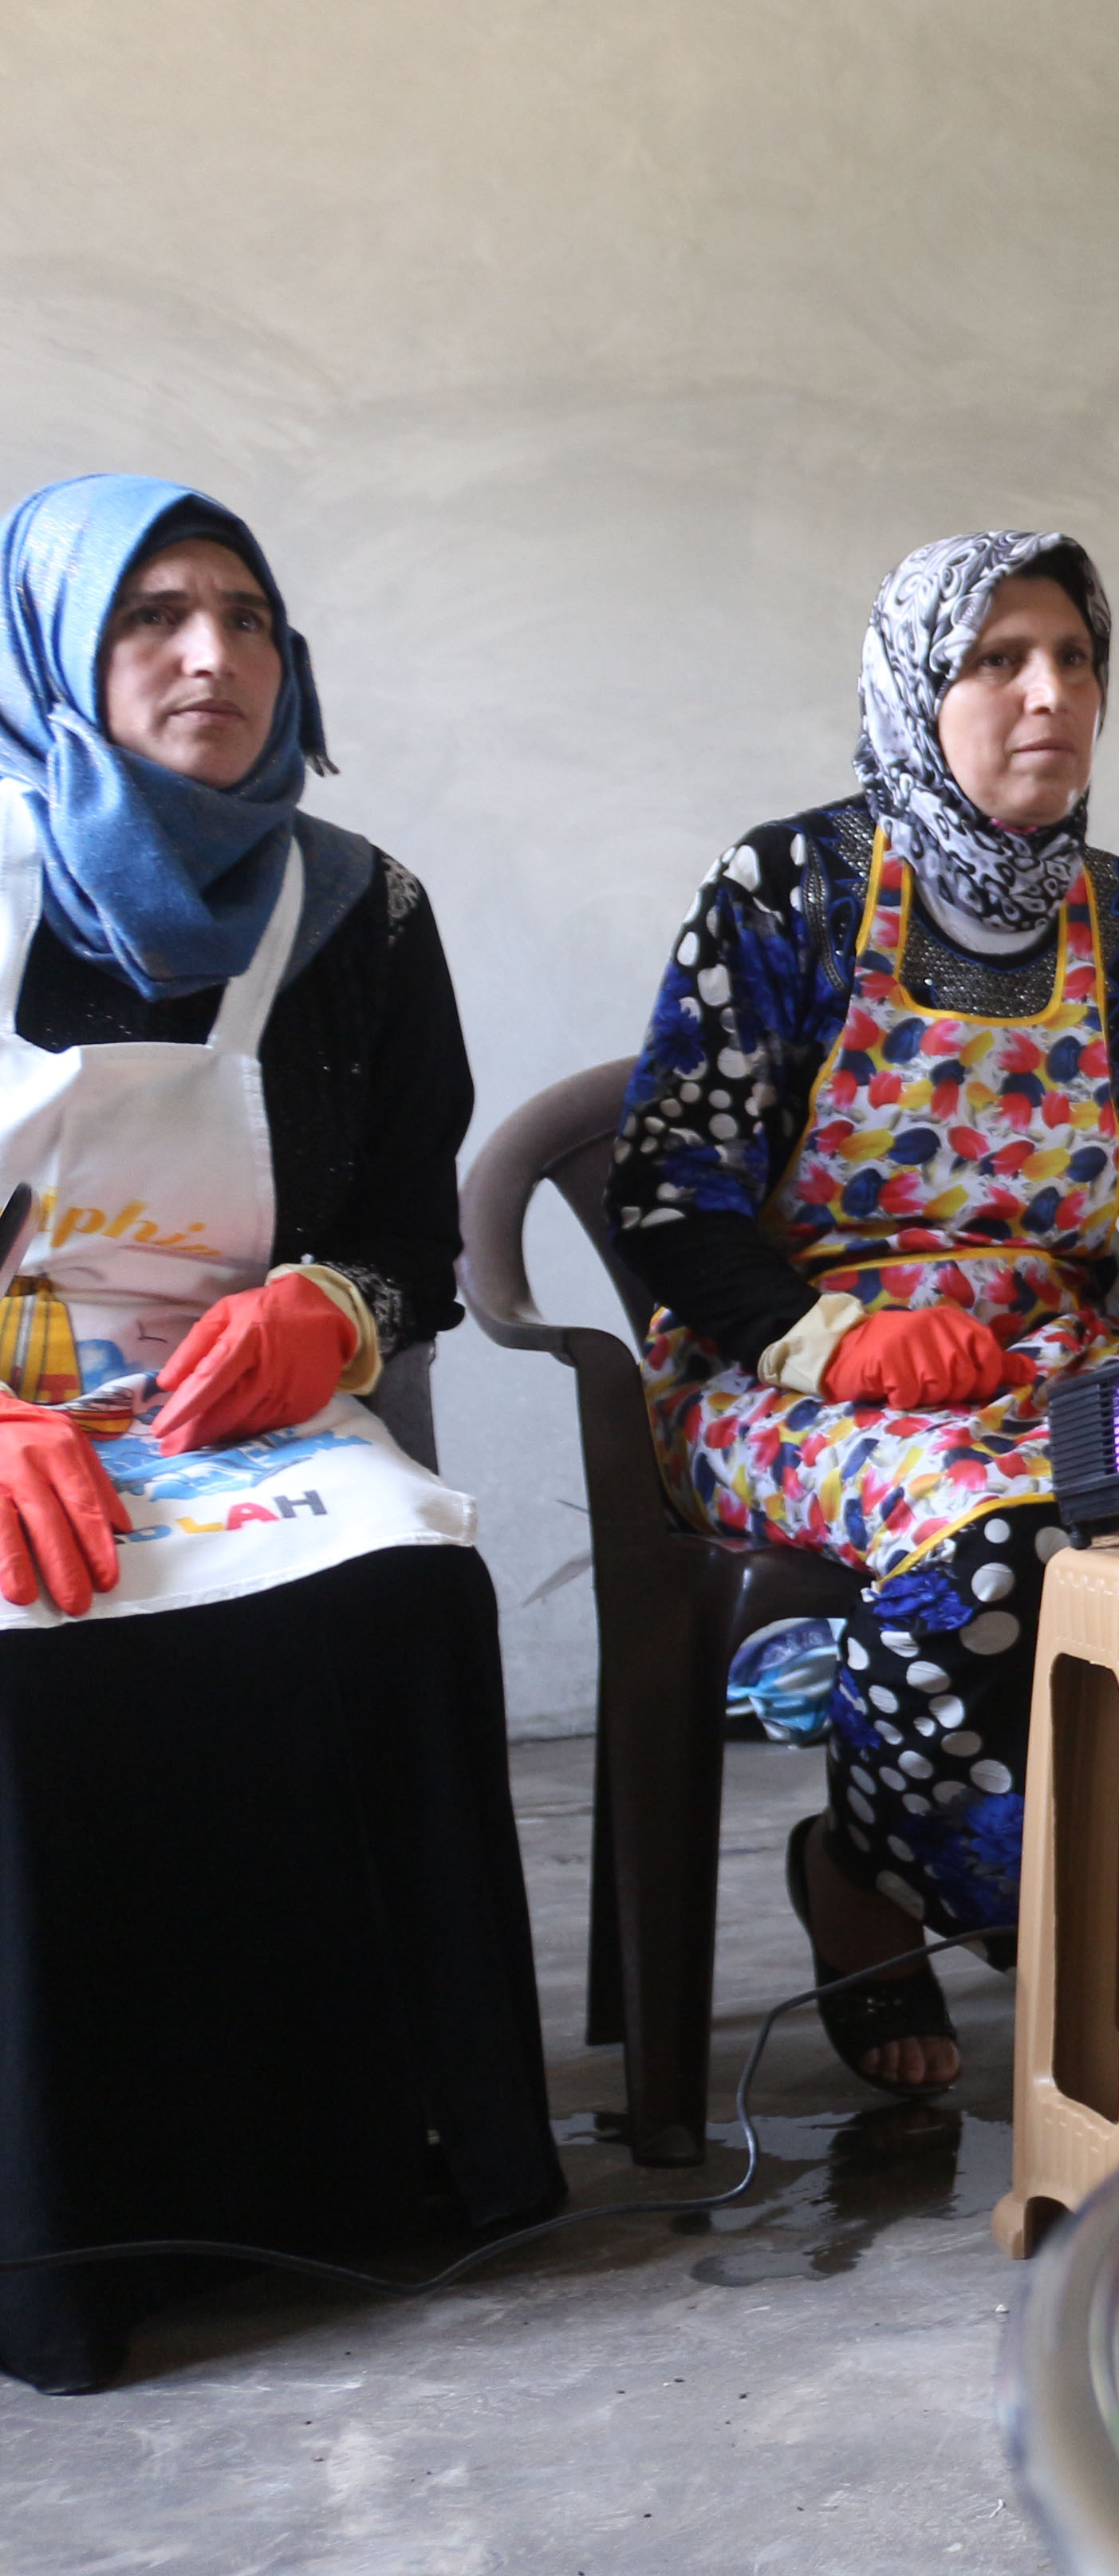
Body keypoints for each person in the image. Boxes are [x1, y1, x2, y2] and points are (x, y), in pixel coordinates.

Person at [613, 530, 1119, 2095]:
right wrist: (827, 1337)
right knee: (1009, 1517)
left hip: (1046, 1353)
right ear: (917, 687)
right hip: (791, 1370)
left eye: (1076, 660)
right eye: (994, 661)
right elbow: (667, 1188)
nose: (1049, 694)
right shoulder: (790, 888)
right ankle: (919, 1892)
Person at [0, 475, 555, 2393]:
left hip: (233, 1423)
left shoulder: (360, 913)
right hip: (6, 1428)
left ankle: (384, 2163)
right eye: (152, 618)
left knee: (404, 1587)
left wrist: (336, 1311)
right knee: (25, 1657)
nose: (211, 656)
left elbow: (407, 1220)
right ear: (61, 655)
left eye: (246, 616)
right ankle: (67, 2226)